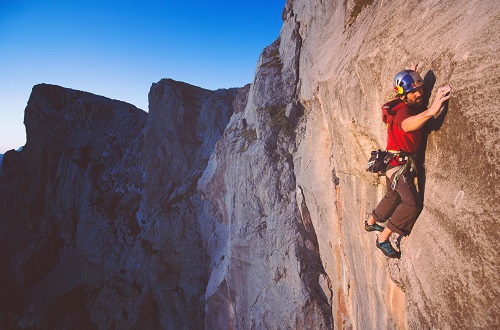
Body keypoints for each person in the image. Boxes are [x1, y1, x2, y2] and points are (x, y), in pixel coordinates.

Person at [365, 65, 451, 258]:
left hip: (391, 161)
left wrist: (409, 75)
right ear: (404, 96)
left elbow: (404, 97)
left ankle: (371, 222)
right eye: (414, 92)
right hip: (398, 165)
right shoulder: (403, 113)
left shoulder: (399, 104)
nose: (419, 94)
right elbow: (406, 124)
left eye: (420, 89)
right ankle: (383, 238)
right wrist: (432, 111)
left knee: (392, 196)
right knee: (411, 204)